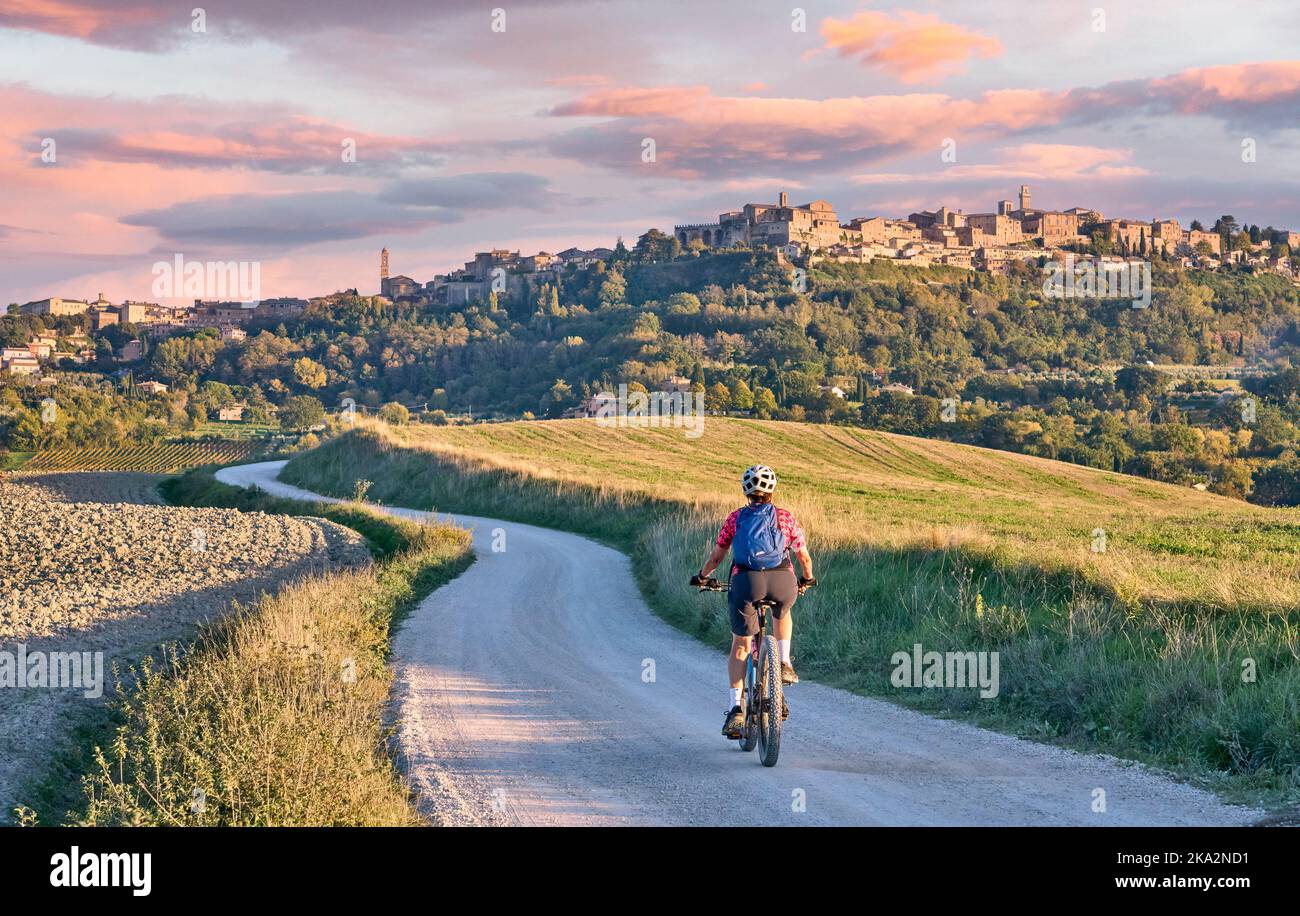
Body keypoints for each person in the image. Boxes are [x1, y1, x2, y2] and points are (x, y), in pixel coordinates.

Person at [691, 465, 814, 739]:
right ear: (772, 490)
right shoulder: (785, 517)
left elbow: (717, 556)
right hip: (782, 580)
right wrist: (807, 578)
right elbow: (804, 557)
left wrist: (702, 576)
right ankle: (783, 663)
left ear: (746, 491)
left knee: (741, 643)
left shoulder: (735, 518)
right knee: (783, 613)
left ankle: (736, 708)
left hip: (746, 582)